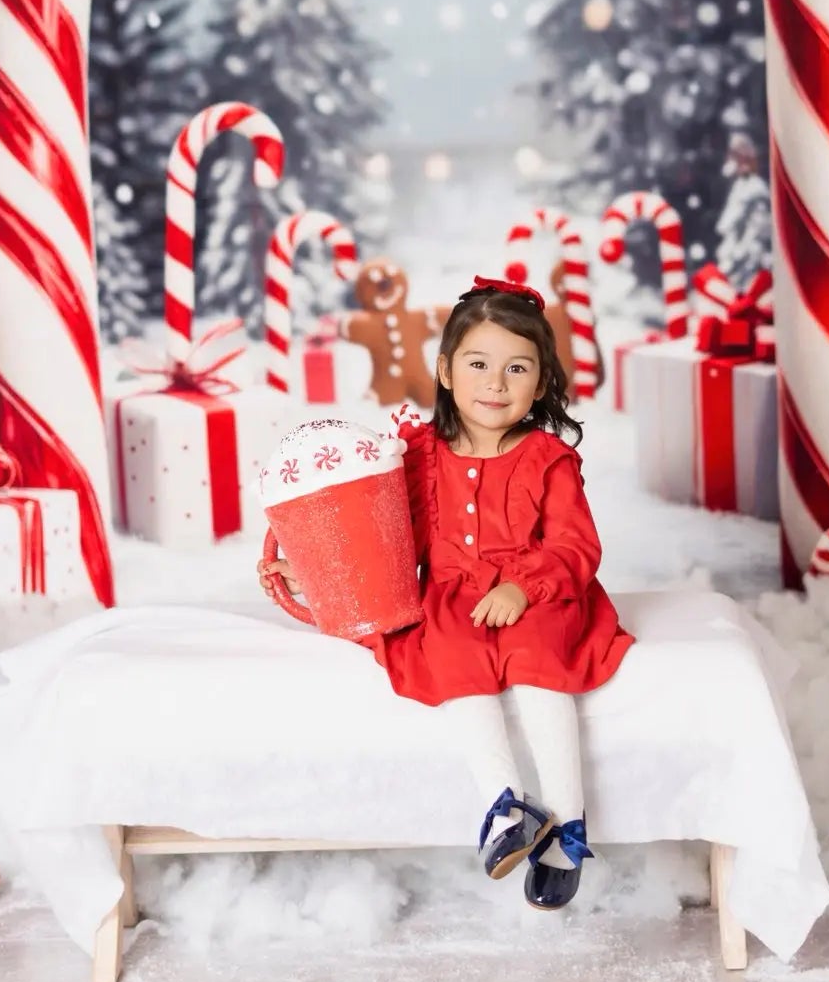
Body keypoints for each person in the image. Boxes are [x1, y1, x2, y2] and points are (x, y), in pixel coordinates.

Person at [259, 277, 633, 909]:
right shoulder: (417, 454)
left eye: (517, 369)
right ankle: (506, 807)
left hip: (539, 591)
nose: (496, 383)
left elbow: (577, 547)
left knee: (541, 666)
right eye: (479, 364)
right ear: (446, 370)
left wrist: (523, 585)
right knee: (454, 657)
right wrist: (315, 567)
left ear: (540, 384)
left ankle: (567, 825)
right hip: (454, 595)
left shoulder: (547, 459)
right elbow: (384, 536)